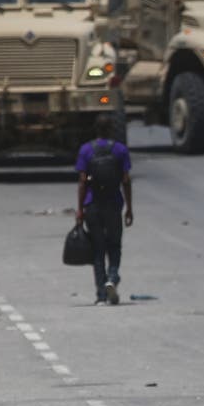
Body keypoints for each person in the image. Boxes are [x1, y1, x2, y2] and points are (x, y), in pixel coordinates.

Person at [74, 115, 132, 305]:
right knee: (114, 245)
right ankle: (112, 278)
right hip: (114, 204)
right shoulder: (120, 150)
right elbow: (125, 180)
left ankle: (101, 295)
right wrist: (129, 208)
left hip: (93, 205)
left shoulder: (86, 150)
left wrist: (80, 209)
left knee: (98, 250)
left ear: (95, 129)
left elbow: (83, 182)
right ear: (112, 129)